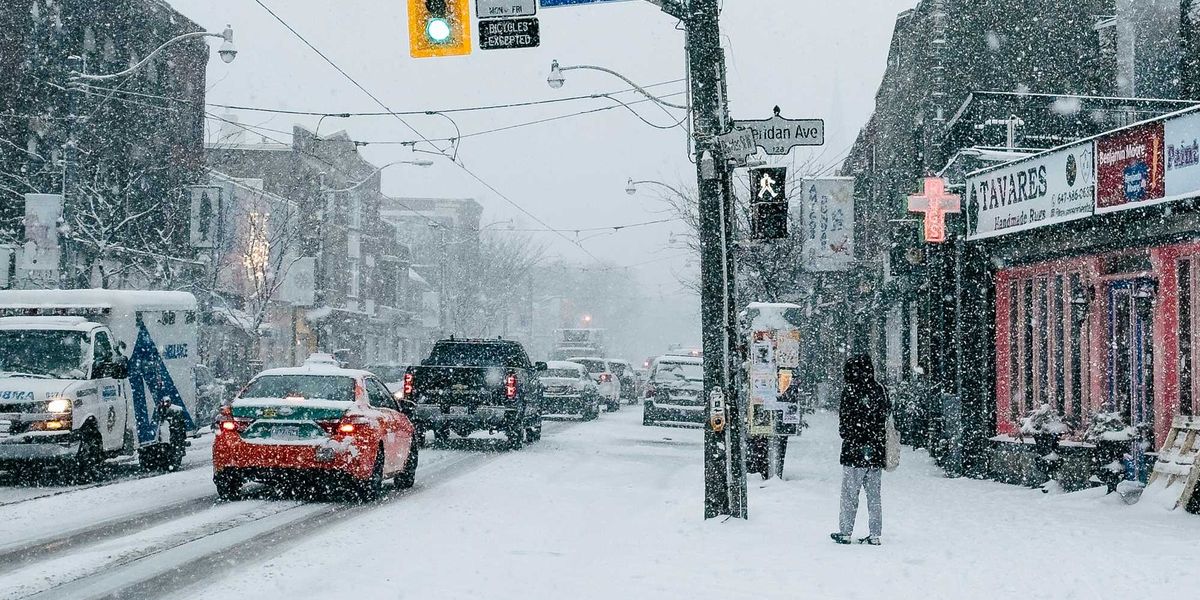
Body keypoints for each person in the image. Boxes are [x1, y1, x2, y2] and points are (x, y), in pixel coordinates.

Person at [831, 354, 889, 546]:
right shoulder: (879, 389)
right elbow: (886, 416)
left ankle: (846, 532)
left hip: (853, 451)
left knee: (849, 494)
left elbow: (844, 425)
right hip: (876, 450)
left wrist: (854, 434)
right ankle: (875, 535)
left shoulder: (849, 391)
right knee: (874, 496)